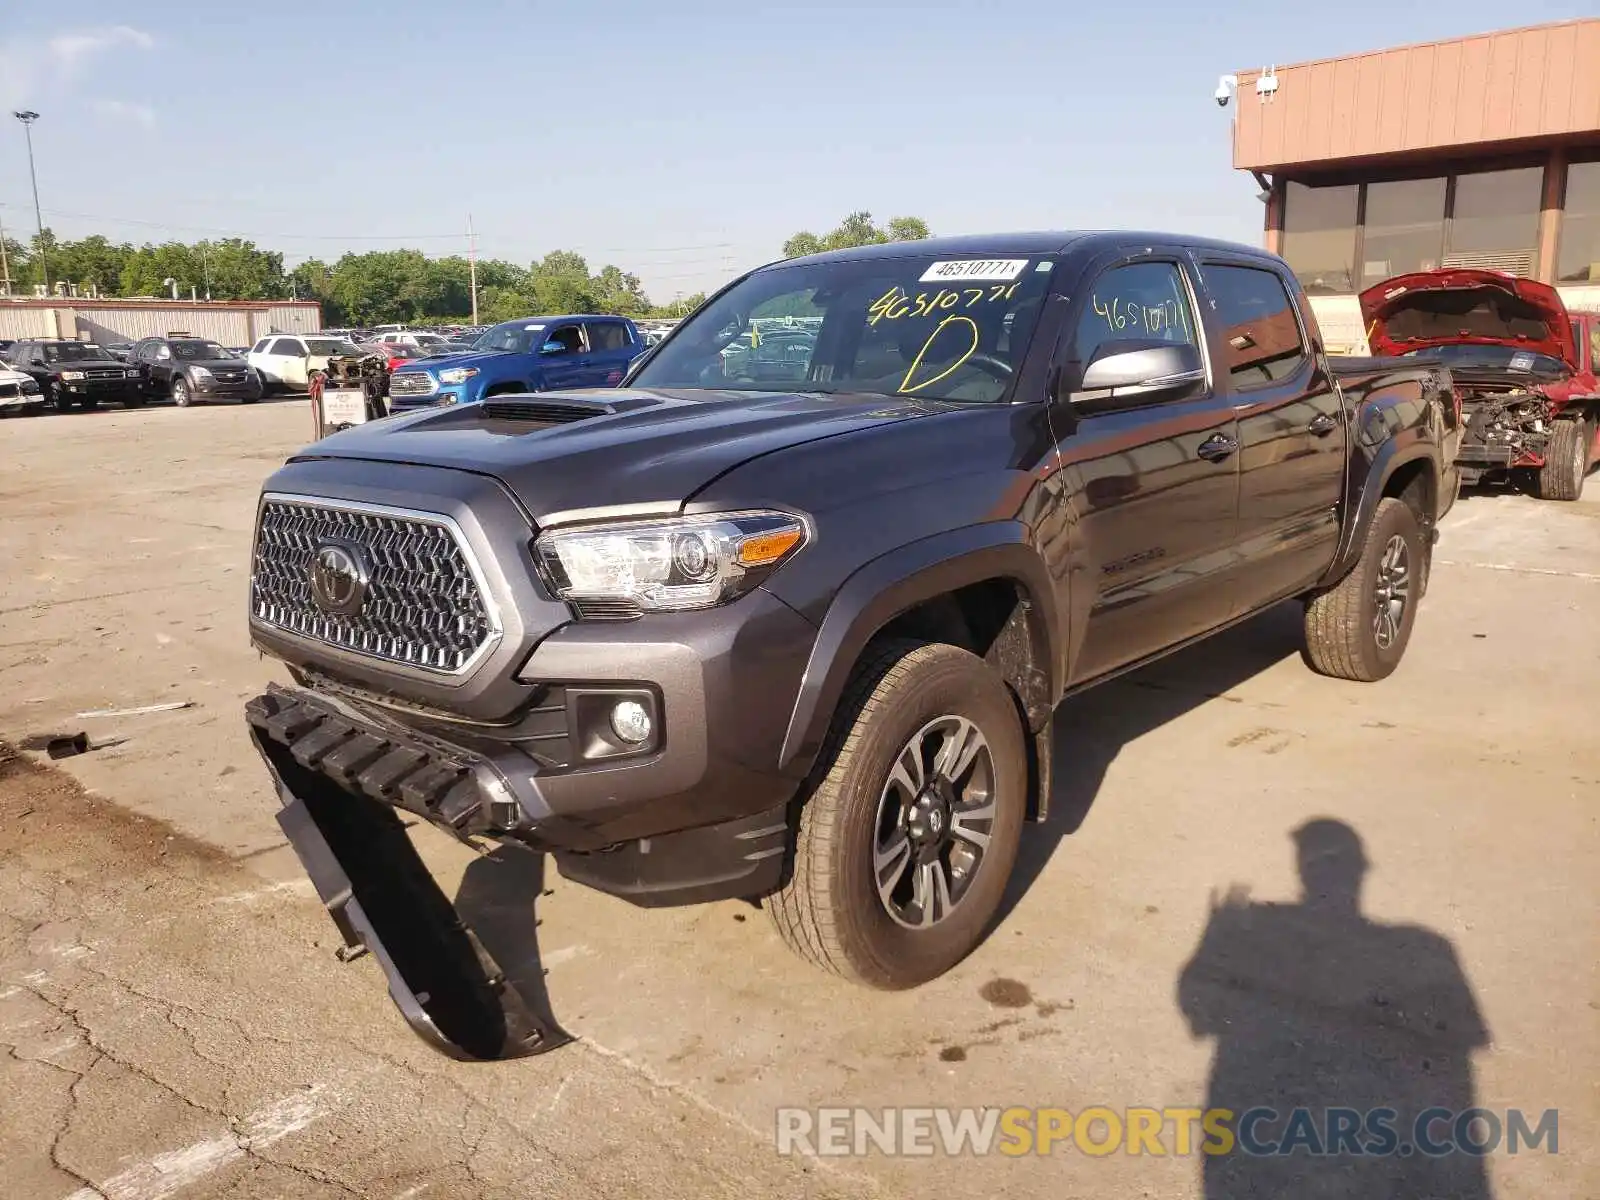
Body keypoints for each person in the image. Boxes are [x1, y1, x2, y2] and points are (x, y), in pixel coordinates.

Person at [1178, 819, 1492, 1199]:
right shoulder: (1422, 949)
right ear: (1360, 872)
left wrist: (1214, 941)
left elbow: (1201, 1011)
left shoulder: (1264, 932)